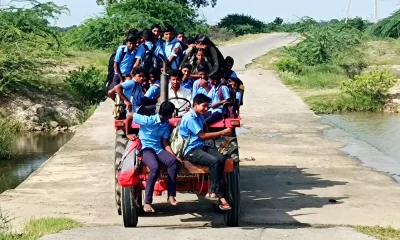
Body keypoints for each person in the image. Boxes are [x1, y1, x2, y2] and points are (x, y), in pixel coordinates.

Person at [179, 93, 232, 210]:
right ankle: (218, 194)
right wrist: (222, 132)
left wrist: (216, 138)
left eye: (207, 106)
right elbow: (202, 135)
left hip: (202, 146)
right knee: (214, 161)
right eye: (204, 106)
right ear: (196, 105)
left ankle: (212, 191)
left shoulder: (199, 115)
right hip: (191, 150)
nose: (206, 109)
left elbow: (205, 129)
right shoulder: (189, 118)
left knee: (222, 158)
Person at [132, 101, 179, 213]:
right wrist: (129, 132)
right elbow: (130, 115)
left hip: (158, 149)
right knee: (155, 167)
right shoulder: (148, 120)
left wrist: (174, 156)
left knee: (172, 161)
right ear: (169, 114)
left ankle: (171, 195)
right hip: (146, 148)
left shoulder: (166, 124)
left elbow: (164, 142)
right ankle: (147, 202)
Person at [114, 67, 146, 138]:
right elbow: (117, 87)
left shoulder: (139, 85)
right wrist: (126, 101)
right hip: (133, 109)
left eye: (143, 76)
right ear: (134, 76)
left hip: (137, 108)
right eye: (139, 76)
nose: (142, 78)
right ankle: (128, 133)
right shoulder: (132, 83)